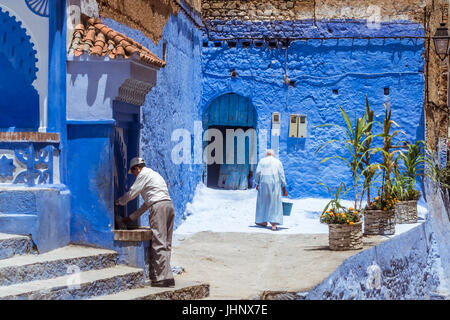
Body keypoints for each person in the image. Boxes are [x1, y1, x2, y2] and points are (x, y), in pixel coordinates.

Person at [115, 157, 175, 288]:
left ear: (137, 168)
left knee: (159, 242)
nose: (135, 175)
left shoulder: (143, 174)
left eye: (134, 172)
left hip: (158, 208)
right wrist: (129, 218)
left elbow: (132, 193)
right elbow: (145, 205)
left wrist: (118, 202)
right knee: (166, 243)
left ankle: (161, 279)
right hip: (168, 206)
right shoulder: (154, 175)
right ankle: (168, 276)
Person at [254, 149, 287, 231]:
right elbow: (281, 175)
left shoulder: (262, 161)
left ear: (266, 154)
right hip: (274, 184)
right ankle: (274, 224)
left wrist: (257, 184)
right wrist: (284, 188)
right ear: (273, 155)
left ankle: (263, 221)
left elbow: (258, 173)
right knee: (274, 203)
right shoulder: (278, 162)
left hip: (263, 183)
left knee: (263, 202)